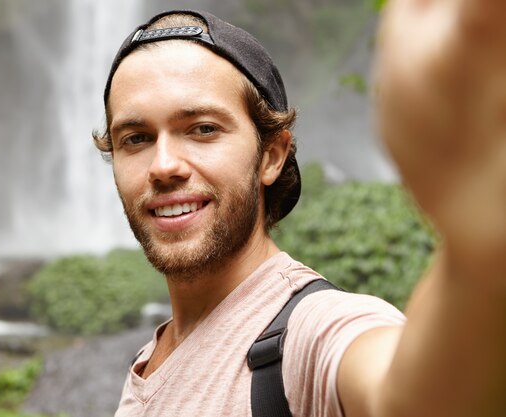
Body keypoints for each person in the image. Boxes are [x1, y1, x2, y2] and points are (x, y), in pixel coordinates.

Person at [92, 3, 506, 416]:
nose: (164, 166)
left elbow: (406, 399)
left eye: (203, 129)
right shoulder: (153, 358)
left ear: (271, 156)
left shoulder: (309, 334)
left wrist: (478, 241)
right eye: (136, 138)